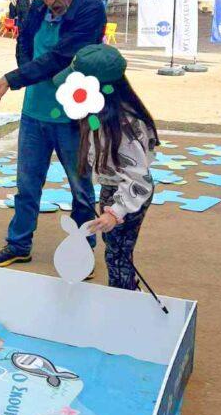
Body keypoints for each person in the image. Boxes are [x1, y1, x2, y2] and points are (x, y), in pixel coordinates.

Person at [0, 0, 106, 268]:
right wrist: (28, 72)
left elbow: (62, 56)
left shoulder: (90, 9)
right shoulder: (38, 6)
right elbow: (24, 42)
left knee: (80, 188)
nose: (50, 1)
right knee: (26, 185)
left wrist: (12, 79)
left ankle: (83, 250)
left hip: (73, 116)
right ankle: (19, 244)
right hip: (34, 112)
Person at [55, 45, 159, 290]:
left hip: (128, 193)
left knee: (118, 255)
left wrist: (115, 212)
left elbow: (139, 180)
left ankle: (124, 298)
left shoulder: (125, 126)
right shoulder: (100, 115)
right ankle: (122, 291)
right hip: (112, 187)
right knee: (113, 247)